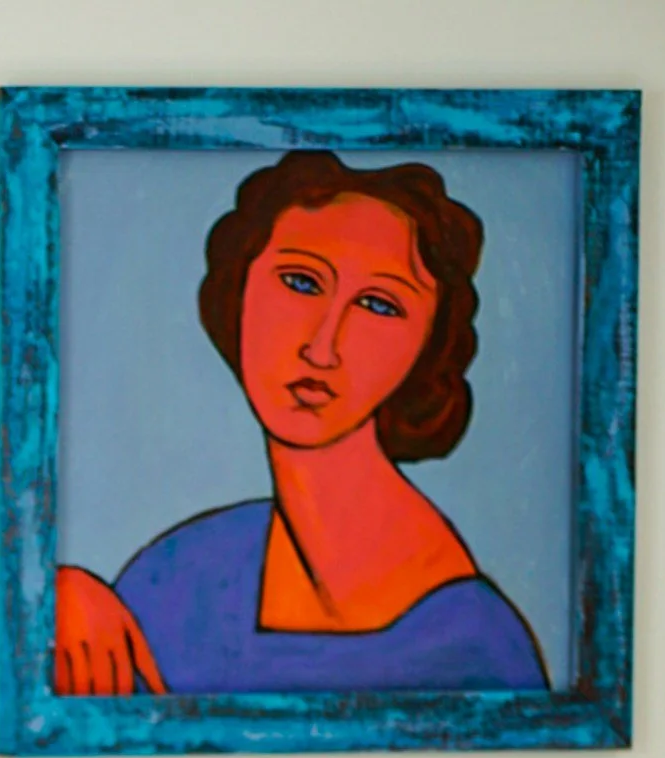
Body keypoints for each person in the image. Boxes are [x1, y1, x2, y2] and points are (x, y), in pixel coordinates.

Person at [53, 150, 548, 697]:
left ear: (429, 347)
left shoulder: (475, 648)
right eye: (301, 282)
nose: (322, 346)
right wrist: (48, 605)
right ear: (240, 290)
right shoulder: (177, 577)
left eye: (379, 305)